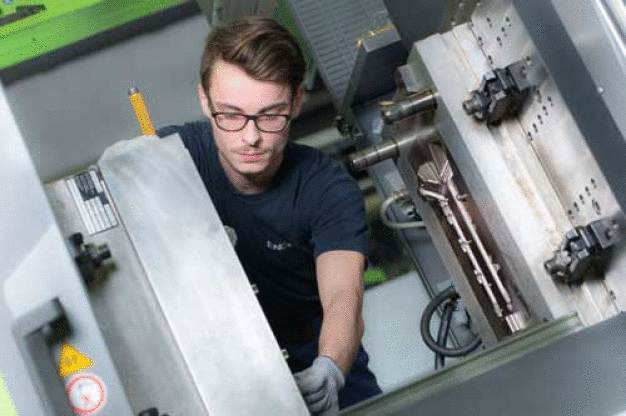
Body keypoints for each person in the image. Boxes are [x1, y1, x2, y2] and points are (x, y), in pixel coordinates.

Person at [157, 16, 381, 415]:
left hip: (317, 370)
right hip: (218, 378)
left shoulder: (326, 187)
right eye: (230, 114)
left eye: (270, 115)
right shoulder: (170, 160)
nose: (250, 136)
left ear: (296, 102)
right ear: (205, 101)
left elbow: (343, 297)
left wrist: (329, 368)